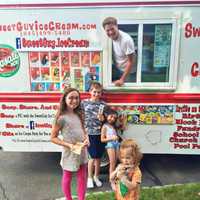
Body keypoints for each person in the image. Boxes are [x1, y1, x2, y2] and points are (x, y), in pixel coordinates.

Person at [51, 87, 89, 200]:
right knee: (67, 177)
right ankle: (68, 198)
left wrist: (87, 139)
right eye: (71, 98)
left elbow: (83, 130)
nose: (74, 100)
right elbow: (53, 138)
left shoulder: (79, 114)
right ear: (64, 99)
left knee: (82, 177)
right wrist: (69, 145)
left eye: (77, 98)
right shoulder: (61, 118)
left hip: (82, 150)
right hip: (69, 152)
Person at [81, 81, 106, 188]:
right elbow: (80, 116)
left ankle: (96, 176)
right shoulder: (84, 103)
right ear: (90, 92)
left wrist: (102, 118)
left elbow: (106, 120)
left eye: (99, 92)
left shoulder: (103, 105)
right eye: (94, 92)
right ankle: (89, 178)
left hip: (100, 134)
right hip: (89, 133)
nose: (96, 94)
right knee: (91, 157)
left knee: (99, 157)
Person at [102, 17, 136, 86]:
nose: (110, 32)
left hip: (129, 72)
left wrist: (122, 79)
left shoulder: (126, 40)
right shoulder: (109, 38)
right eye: (107, 30)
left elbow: (131, 61)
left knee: (125, 91)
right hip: (118, 68)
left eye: (112, 29)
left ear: (117, 26)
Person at [100, 108, 120, 182]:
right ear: (106, 116)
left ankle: (114, 176)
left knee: (116, 161)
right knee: (112, 163)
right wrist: (112, 138)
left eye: (114, 118)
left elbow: (123, 128)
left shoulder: (113, 126)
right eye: (111, 116)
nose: (112, 119)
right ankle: (111, 180)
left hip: (116, 144)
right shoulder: (105, 126)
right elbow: (102, 139)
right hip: (110, 145)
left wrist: (124, 120)